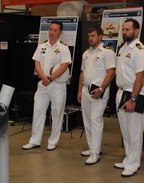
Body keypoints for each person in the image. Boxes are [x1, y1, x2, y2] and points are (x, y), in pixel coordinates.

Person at [22, 21, 71, 151]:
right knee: (38, 111)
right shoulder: (41, 46)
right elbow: (37, 63)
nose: (52, 32)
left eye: (55, 30)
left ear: (60, 33)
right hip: (43, 83)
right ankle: (35, 140)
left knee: (56, 113)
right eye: (50, 29)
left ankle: (53, 141)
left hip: (57, 85)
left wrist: (51, 78)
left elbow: (64, 66)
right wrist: (43, 77)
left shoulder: (64, 48)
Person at [114, 18, 144, 177]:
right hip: (122, 91)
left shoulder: (140, 50)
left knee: (135, 131)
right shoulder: (123, 48)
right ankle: (129, 158)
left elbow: (140, 77)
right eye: (123, 29)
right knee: (125, 130)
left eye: (127, 29)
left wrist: (133, 99)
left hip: (134, 92)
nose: (124, 32)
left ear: (137, 31)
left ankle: (134, 164)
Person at [77, 26, 116, 165]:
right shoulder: (86, 53)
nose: (90, 38)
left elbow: (111, 73)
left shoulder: (107, 53)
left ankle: (95, 153)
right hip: (86, 90)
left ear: (100, 36)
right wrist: (79, 90)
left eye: (93, 36)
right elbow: (82, 72)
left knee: (95, 120)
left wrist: (101, 88)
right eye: (89, 36)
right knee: (87, 120)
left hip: (100, 91)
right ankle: (91, 147)